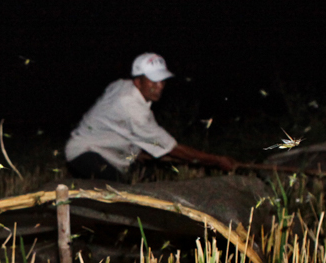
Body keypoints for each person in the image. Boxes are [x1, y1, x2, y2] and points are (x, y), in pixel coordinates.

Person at [65, 53, 239, 180]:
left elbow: (116, 124)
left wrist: (134, 148)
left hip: (104, 150)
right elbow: (174, 149)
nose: (160, 86)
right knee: (121, 195)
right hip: (86, 153)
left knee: (147, 179)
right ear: (138, 81)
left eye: (162, 80)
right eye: (153, 81)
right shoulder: (133, 108)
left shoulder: (121, 85)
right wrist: (217, 160)